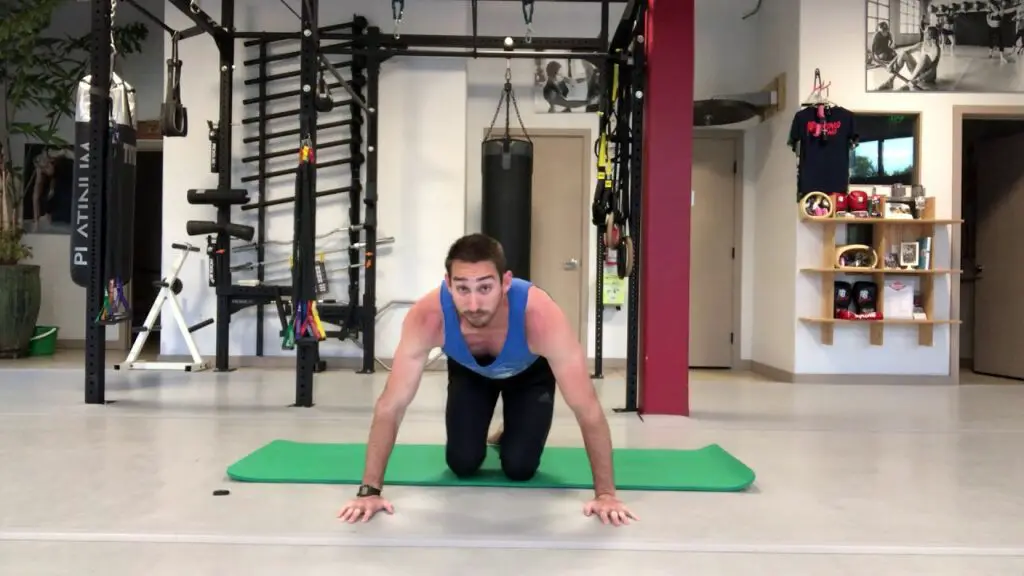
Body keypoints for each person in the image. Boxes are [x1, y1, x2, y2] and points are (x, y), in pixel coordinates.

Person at [337, 234, 637, 526]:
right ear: (448, 284)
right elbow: (392, 404)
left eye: (485, 288)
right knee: (462, 464)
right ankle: (495, 426)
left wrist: (606, 494)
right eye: (462, 289)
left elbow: (587, 409)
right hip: (471, 373)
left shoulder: (541, 316)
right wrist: (369, 491)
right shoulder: (429, 316)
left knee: (520, 467)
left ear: (505, 283)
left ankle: (512, 428)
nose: (474, 303)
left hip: (528, 374)